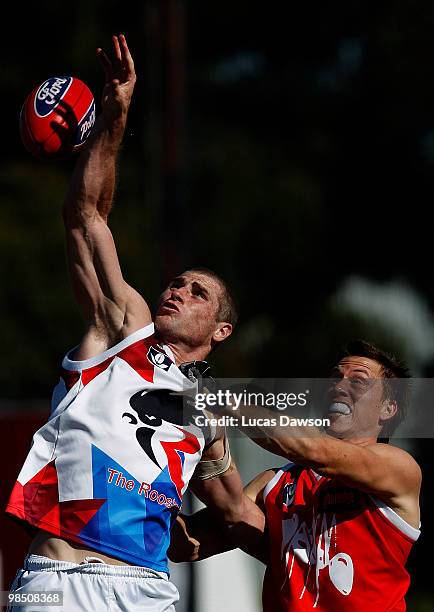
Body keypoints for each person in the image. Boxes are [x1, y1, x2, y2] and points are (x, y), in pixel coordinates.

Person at [5, 34, 262, 612]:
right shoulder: (127, 329)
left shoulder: (209, 412)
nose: (179, 291)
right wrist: (115, 116)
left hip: (146, 592)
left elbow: (235, 515)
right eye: (178, 282)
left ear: (221, 330)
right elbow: (84, 215)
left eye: (199, 293)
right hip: (62, 580)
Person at [170, 340, 421, 611]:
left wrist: (219, 400)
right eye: (335, 378)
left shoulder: (398, 468)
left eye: (358, 381)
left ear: (388, 408)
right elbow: (190, 543)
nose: (338, 386)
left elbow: (314, 448)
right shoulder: (274, 482)